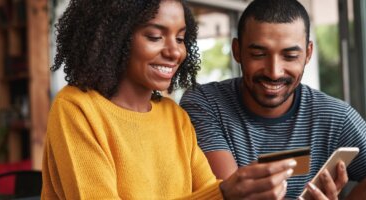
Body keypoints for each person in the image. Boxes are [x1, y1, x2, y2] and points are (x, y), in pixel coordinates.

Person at [41, 0, 311, 199]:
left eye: (180, 38)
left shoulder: (174, 116)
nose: (174, 52)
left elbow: (208, 191)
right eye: (155, 36)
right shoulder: (77, 108)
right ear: (115, 38)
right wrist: (224, 194)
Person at [180, 0, 366, 199]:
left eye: (290, 56)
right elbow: (237, 194)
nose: (274, 72)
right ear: (237, 51)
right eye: (259, 54)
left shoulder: (336, 118)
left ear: (308, 53)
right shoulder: (205, 104)